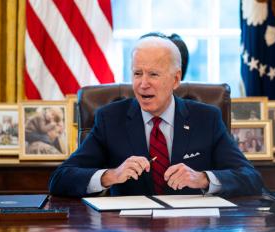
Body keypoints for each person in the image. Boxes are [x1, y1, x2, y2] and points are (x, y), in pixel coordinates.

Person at [48, 36, 263, 198]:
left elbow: (251, 178)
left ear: (176, 79)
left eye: (153, 74)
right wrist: (110, 176)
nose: (143, 84)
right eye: (137, 73)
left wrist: (203, 178)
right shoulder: (110, 119)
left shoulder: (206, 119)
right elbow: (60, 179)